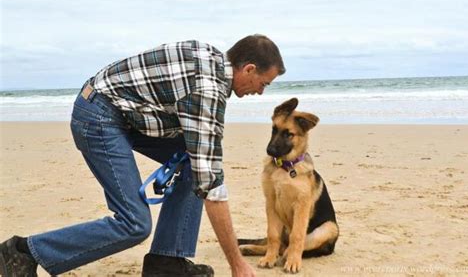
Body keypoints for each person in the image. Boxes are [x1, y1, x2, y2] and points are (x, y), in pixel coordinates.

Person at [0, 34, 285, 277]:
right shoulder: (208, 89)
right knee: (134, 223)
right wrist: (237, 264)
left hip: (126, 113)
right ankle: (25, 251)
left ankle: (166, 262)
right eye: (264, 83)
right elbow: (211, 185)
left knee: (192, 164)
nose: (260, 92)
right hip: (98, 116)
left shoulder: (211, 58)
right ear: (248, 69)